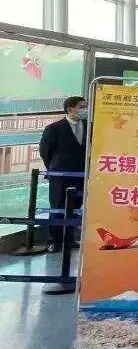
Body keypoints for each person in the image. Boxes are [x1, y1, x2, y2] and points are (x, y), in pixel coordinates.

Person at [39, 96, 88, 252]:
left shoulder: (89, 127)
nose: (85, 109)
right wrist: (55, 169)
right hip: (60, 177)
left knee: (75, 207)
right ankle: (55, 241)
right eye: (82, 106)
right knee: (57, 207)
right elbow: (45, 152)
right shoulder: (54, 128)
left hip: (81, 175)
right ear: (70, 109)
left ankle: (69, 239)